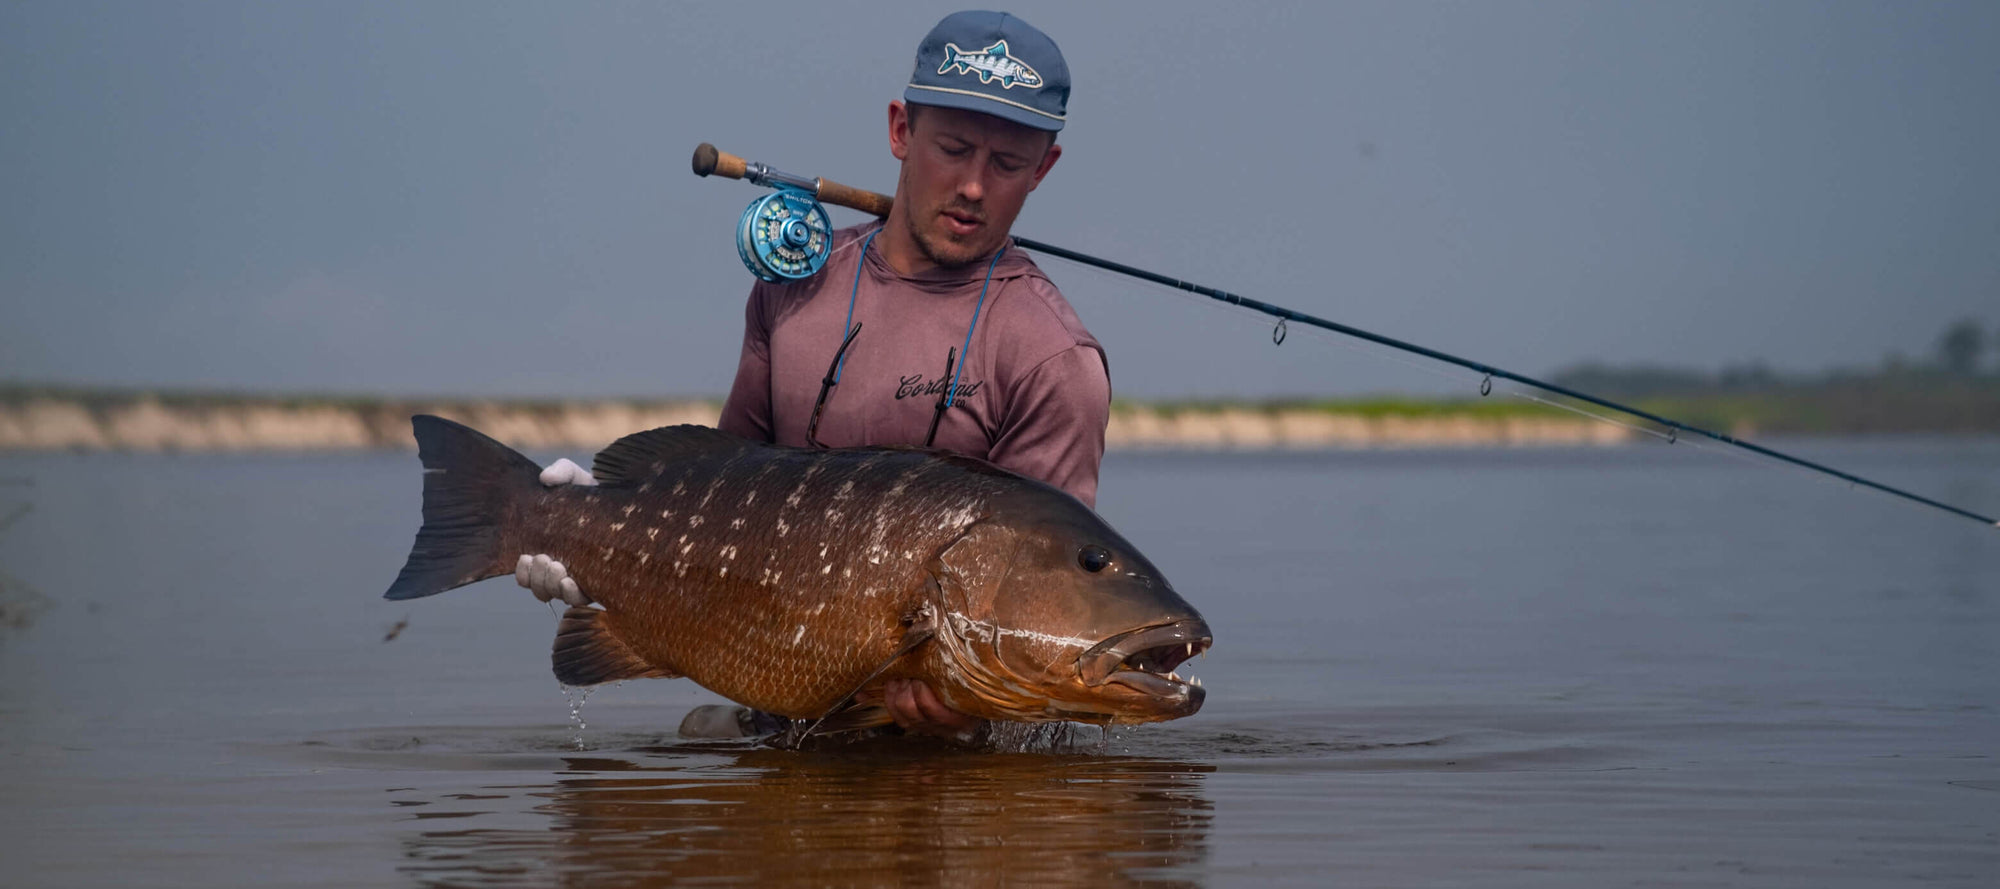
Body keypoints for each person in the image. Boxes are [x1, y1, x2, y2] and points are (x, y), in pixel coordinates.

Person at [518, 10, 1108, 742]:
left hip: (953, 757)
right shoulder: (792, 288)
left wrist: (964, 707)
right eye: (953, 149)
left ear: (1044, 169)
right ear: (900, 130)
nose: (975, 187)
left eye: (1008, 165)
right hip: (775, 704)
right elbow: (723, 490)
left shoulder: (1056, 359)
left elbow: (1041, 594)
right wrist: (587, 534)